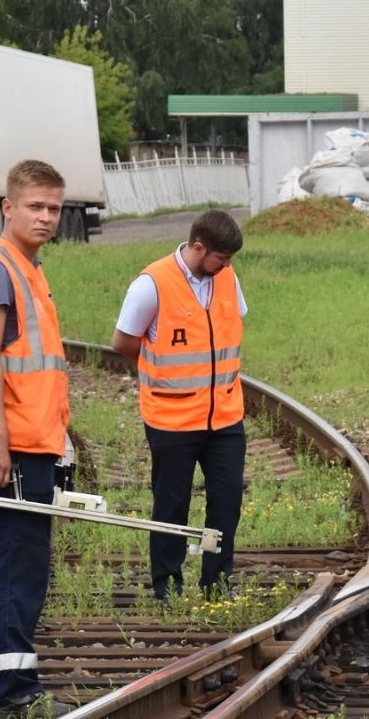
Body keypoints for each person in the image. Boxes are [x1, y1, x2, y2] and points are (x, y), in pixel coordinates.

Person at [0, 160, 74, 719]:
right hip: (12, 443)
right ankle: (8, 692)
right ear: (8, 207)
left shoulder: (28, 268)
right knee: (17, 560)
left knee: (8, 554)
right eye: (36, 206)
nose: (46, 217)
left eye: (54, 208)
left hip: (32, 438)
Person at [111, 209, 248, 602]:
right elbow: (123, 342)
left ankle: (216, 585)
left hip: (224, 417)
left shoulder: (228, 279)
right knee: (172, 506)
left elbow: (229, 328)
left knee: (227, 503)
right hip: (171, 420)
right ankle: (167, 586)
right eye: (221, 259)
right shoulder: (151, 284)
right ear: (199, 247)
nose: (226, 267)